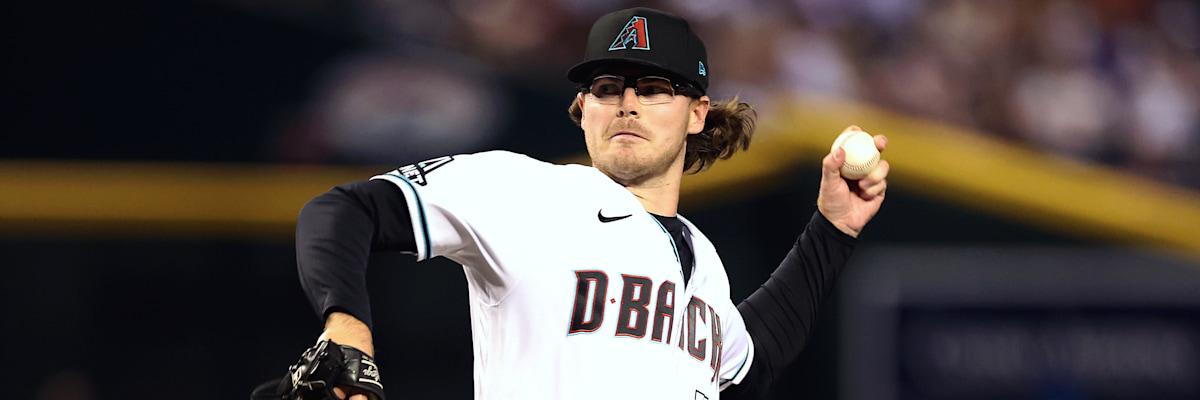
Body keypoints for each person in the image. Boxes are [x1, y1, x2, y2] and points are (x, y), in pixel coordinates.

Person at [259, 7, 889, 400]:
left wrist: (833, 228)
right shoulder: (529, 192)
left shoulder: (703, 258)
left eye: (654, 88)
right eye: (608, 87)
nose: (628, 104)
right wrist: (347, 328)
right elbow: (342, 211)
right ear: (583, 108)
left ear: (698, 113)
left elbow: (750, 361)